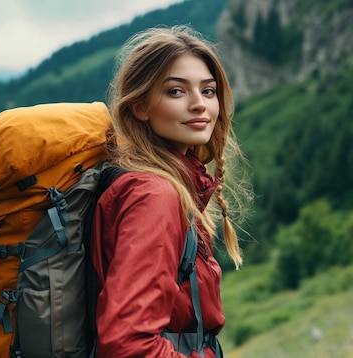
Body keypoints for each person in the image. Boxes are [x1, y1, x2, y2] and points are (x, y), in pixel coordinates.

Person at [90, 25, 253, 357]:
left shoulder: (157, 183)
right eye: (176, 92)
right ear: (140, 107)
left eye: (208, 91)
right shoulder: (155, 196)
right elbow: (128, 344)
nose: (199, 105)